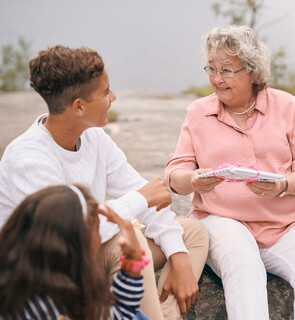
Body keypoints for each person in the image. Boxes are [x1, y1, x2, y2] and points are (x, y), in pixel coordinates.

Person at [0, 45, 209, 320]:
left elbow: (144, 197)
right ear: (79, 106)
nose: (113, 97)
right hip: (49, 273)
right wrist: (140, 199)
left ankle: (163, 315)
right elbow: (70, 234)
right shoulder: (28, 159)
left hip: (90, 253)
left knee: (192, 234)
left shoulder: (93, 137)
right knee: (132, 236)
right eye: (105, 91)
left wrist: (178, 257)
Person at [162, 25, 295, 320]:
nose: (217, 79)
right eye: (211, 68)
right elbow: (175, 172)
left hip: (282, 225)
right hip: (221, 220)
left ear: (253, 71)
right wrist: (193, 180)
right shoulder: (197, 112)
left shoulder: (288, 106)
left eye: (227, 70)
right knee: (244, 266)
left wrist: (283, 184)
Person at [0, 184, 147, 319]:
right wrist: (133, 261)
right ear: (79, 243)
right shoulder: (52, 307)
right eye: (97, 229)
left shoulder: (22, 287)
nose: (100, 237)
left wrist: (131, 264)